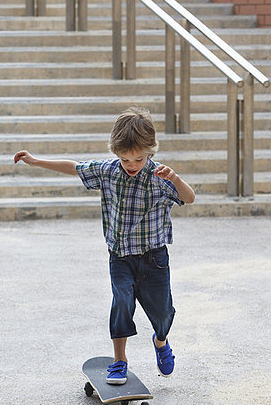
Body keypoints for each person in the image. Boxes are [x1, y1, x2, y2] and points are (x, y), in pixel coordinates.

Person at [14, 107, 195, 385]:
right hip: (120, 257)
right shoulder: (109, 172)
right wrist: (36, 161)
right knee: (121, 302)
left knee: (162, 312)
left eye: (138, 158)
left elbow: (190, 198)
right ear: (116, 153)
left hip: (154, 258)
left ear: (150, 151)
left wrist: (176, 179)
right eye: (124, 158)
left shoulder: (161, 175)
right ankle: (119, 360)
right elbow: (73, 167)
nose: (131, 164)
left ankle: (160, 341)